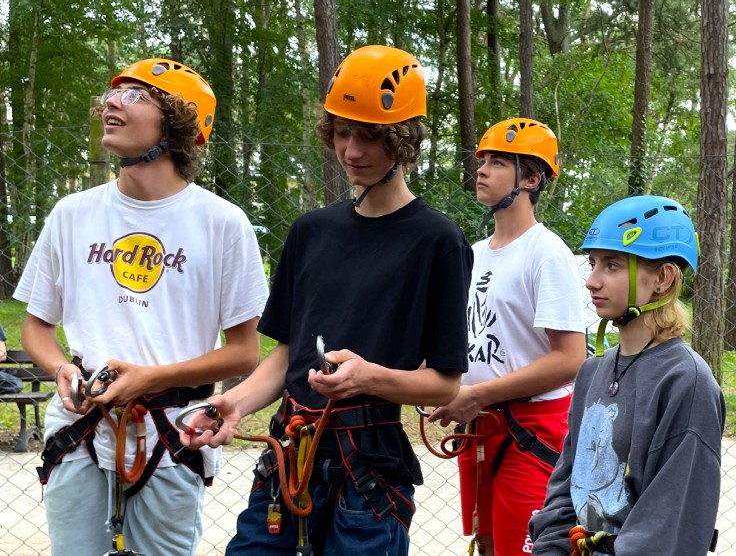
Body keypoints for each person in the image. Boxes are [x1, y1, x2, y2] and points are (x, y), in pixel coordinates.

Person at [181, 45, 473, 556]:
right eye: (343, 132)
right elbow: (287, 356)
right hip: (289, 460)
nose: (352, 150)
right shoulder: (311, 232)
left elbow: (444, 382)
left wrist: (367, 378)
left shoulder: (438, 242)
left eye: (370, 136)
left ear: (402, 141)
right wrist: (235, 402)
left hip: (369, 472)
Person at [14, 58, 268, 556]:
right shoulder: (72, 214)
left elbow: (244, 353)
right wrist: (60, 367)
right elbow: (36, 328)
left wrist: (152, 378)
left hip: (172, 436)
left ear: (177, 122)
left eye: (134, 96)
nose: (111, 103)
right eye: (110, 96)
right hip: (81, 430)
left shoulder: (221, 223)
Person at [426, 118, 587, 555]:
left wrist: (480, 395)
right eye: (482, 161)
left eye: (498, 162)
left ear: (532, 178)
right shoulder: (473, 254)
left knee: (524, 547)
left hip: (531, 426)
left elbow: (571, 358)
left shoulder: (547, 253)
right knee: (491, 540)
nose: (481, 170)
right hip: (479, 422)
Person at [529, 195, 725, 555]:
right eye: (593, 264)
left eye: (612, 265)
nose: (591, 281)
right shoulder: (592, 372)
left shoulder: (686, 382)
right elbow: (565, 484)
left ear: (662, 278)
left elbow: (669, 523)